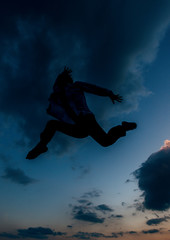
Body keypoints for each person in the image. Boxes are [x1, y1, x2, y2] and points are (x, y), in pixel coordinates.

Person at [26, 67, 137, 159]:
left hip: (86, 119)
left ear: (67, 81)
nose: (59, 85)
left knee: (105, 142)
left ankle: (123, 127)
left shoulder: (76, 86)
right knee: (52, 124)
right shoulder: (59, 93)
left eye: (63, 81)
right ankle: (42, 145)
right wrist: (61, 75)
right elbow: (56, 86)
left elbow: (92, 88)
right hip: (77, 127)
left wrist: (109, 93)